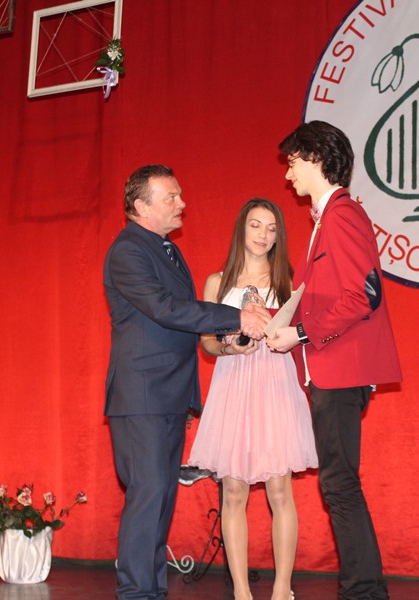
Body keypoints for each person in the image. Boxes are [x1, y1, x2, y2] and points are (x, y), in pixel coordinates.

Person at [103, 164, 271, 600]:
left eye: (180, 195)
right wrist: (237, 318)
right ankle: (136, 593)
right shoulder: (128, 251)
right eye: (171, 197)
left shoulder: (166, 250)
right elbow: (166, 308)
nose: (182, 203)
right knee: (149, 495)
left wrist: (227, 337)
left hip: (168, 394)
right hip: (142, 395)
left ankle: (151, 591)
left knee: (160, 499)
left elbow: (183, 316)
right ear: (141, 206)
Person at [267, 121, 402, 600]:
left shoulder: (342, 215)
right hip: (332, 369)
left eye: (293, 163)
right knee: (339, 483)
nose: (288, 175)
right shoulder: (329, 219)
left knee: (339, 484)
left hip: (340, 369)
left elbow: (365, 293)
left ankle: (364, 591)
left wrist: (300, 333)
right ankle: (364, 589)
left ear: (317, 159)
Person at [187, 198, 318, 600]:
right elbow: (207, 344)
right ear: (241, 228)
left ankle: (282, 589)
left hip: (275, 386)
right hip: (233, 387)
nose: (263, 235)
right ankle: (241, 591)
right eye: (256, 225)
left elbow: (303, 334)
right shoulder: (217, 282)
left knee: (280, 491)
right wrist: (231, 348)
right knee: (233, 492)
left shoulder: (289, 281)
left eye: (272, 228)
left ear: (279, 236)